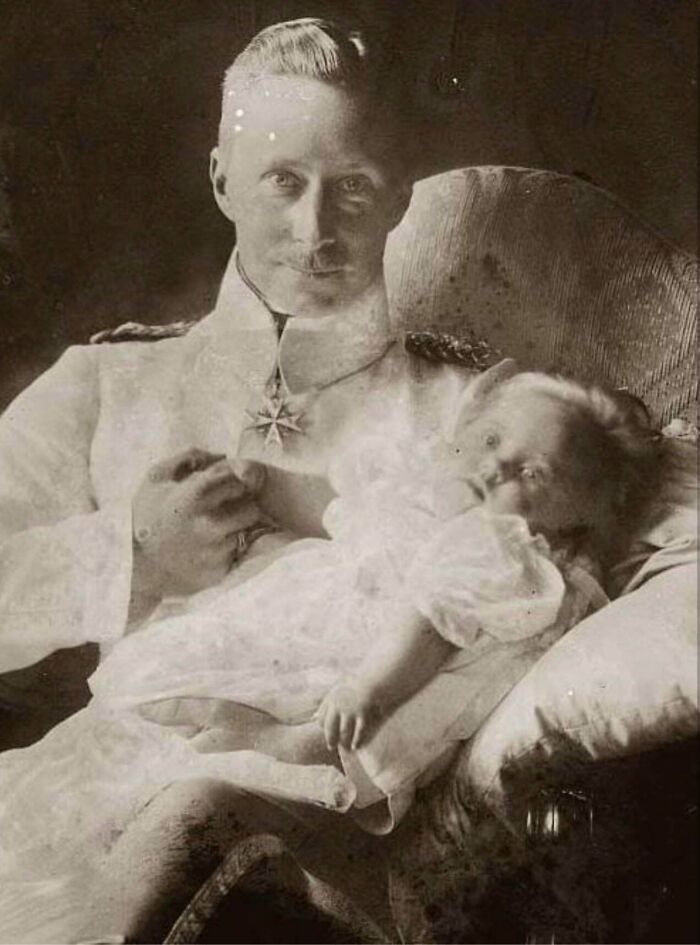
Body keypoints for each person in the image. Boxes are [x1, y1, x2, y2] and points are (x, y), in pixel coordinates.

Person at [0, 15, 691, 945]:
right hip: (79, 802)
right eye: (282, 182)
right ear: (221, 181)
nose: (316, 230)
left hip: (330, 851)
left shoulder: (479, 414)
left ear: (402, 199)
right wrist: (129, 555)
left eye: (354, 189)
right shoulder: (106, 382)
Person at [0, 360, 660, 944]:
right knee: (105, 760)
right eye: (492, 442)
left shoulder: (496, 549)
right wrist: (242, 479)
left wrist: (371, 687)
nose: (495, 468)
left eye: (531, 473)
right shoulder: (425, 498)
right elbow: (340, 504)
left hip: (346, 667)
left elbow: (431, 620)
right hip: (296, 629)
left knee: (197, 749)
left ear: (573, 519)